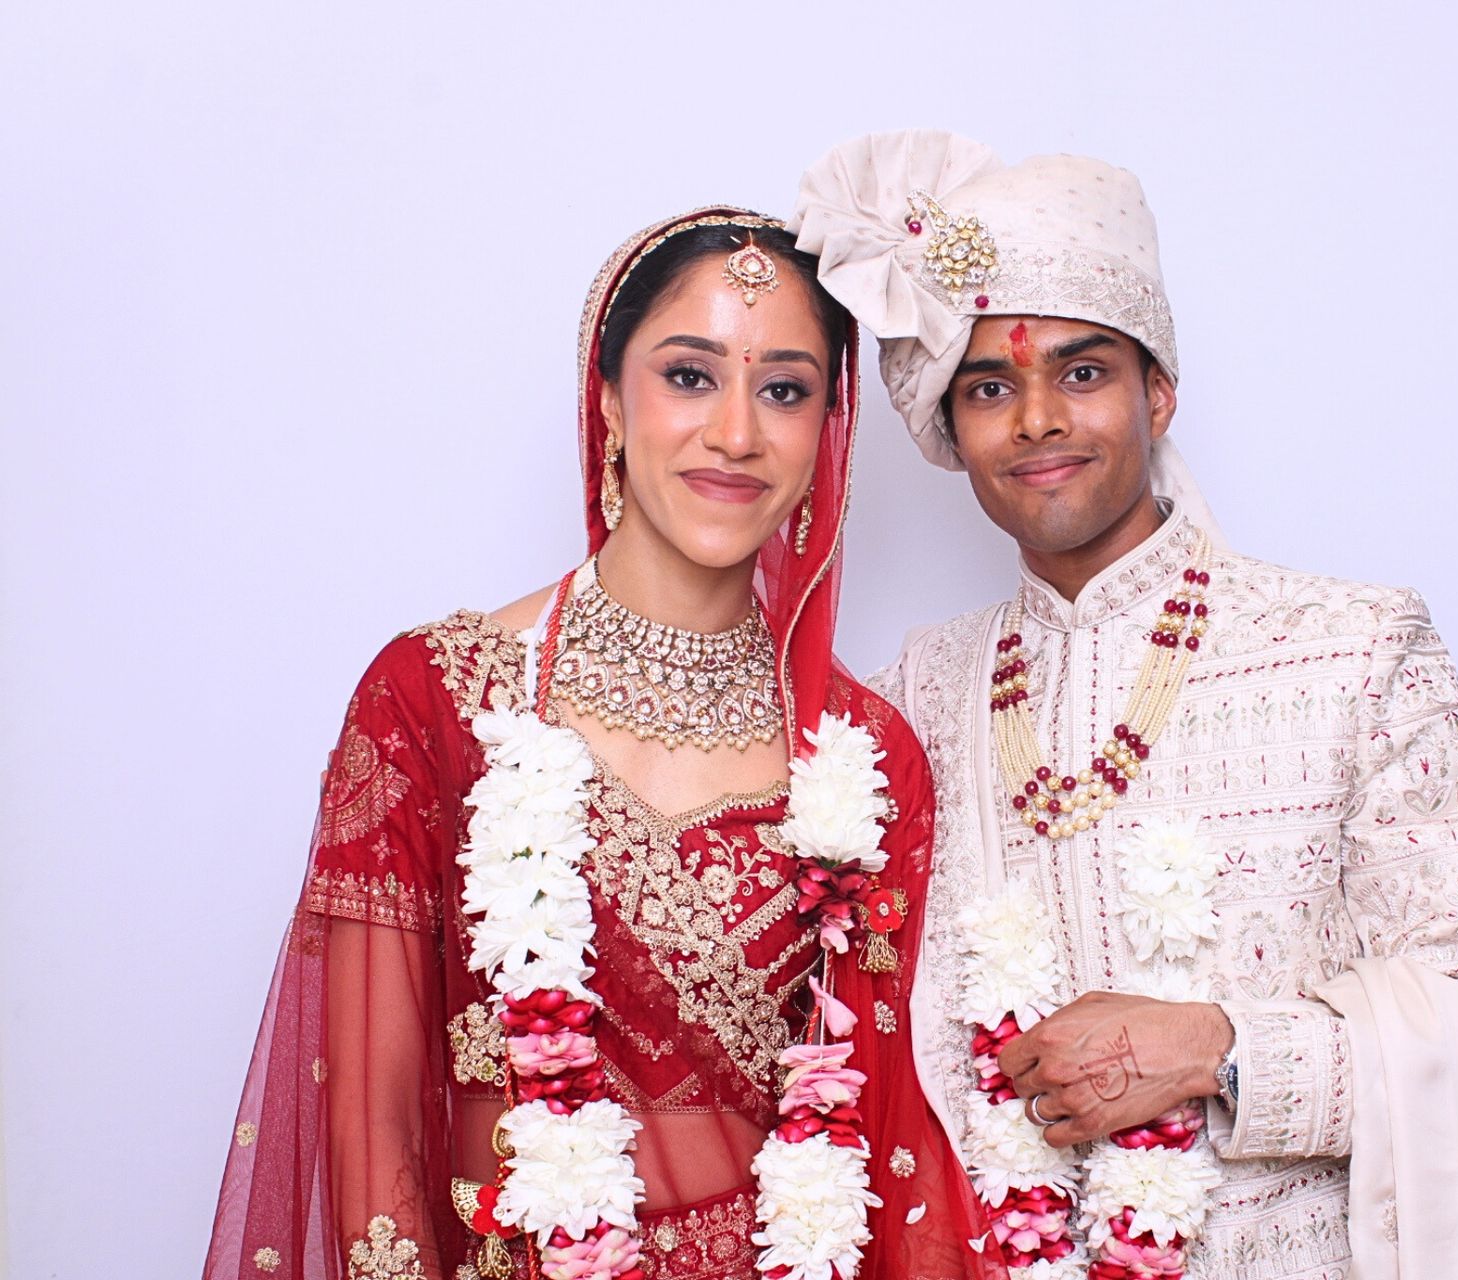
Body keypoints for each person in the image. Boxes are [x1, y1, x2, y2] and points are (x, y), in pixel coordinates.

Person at [793, 132, 1458, 1279]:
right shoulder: (919, 689)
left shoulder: (1350, 648)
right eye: (991, 387)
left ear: (1159, 392)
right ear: (952, 439)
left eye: (1083, 370)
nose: (1039, 420)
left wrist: (1220, 1049)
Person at [203, 208, 999, 1280]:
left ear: (827, 431)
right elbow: (370, 1125)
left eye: (785, 389)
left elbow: (896, 1134)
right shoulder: (439, 699)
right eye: (689, 375)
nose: (736, 434)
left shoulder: (865, 755)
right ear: (610, 399)